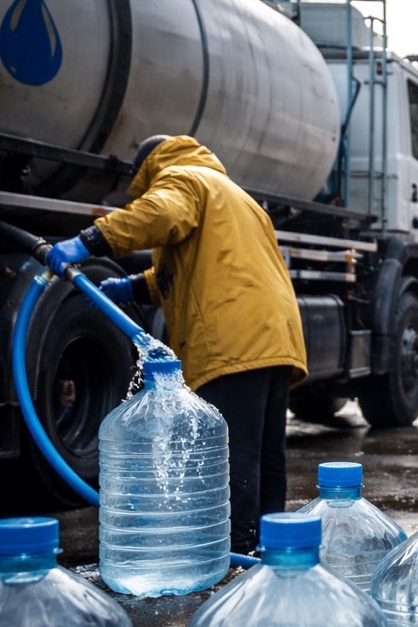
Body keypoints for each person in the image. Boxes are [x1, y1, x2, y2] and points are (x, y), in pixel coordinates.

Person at [47, 134, 308, 554]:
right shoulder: (232, 193)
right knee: (264, 451)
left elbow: (159, 214)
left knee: (232, 451)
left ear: (148, 168)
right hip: (276, 332)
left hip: (233, 335)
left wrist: (89, 242)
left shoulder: (182, 178)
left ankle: (236, 552)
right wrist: (132, 287)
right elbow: (194, 269)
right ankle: (270, 548)